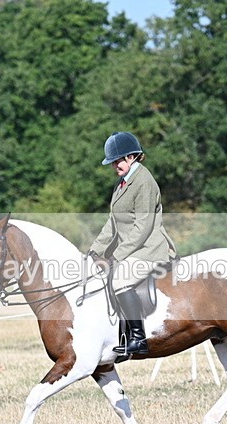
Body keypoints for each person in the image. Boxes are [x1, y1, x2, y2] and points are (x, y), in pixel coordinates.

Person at [88, 132, 177, 362]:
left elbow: (143, 226)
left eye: (117, 161)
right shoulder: (122, 183)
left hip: (150, 249)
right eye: (112, 162)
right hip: (133, 248)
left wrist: (116, 256)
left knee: (119, 279)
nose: (114, 166)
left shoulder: (144, 181)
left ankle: (138, 339)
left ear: (132, 157)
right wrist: (95, 250)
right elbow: (113, 222)